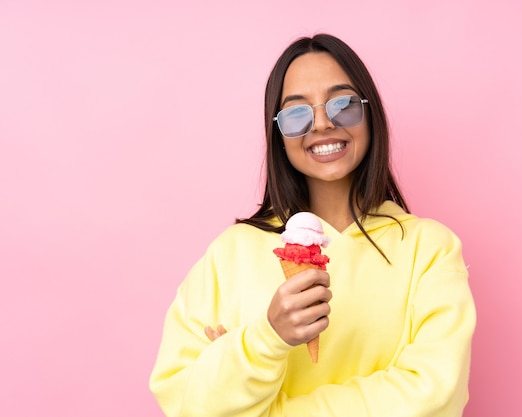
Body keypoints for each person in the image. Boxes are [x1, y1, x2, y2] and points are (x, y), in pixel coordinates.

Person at [149, 34, 476, 417]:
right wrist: (266, 337)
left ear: (369, 113)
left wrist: (264, 407)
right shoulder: (230, 253)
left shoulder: (430, 249)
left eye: (343, 104)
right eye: (297, 113)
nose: (322, 123)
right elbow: (184, 401)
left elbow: (435, 395)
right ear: (278, 132)